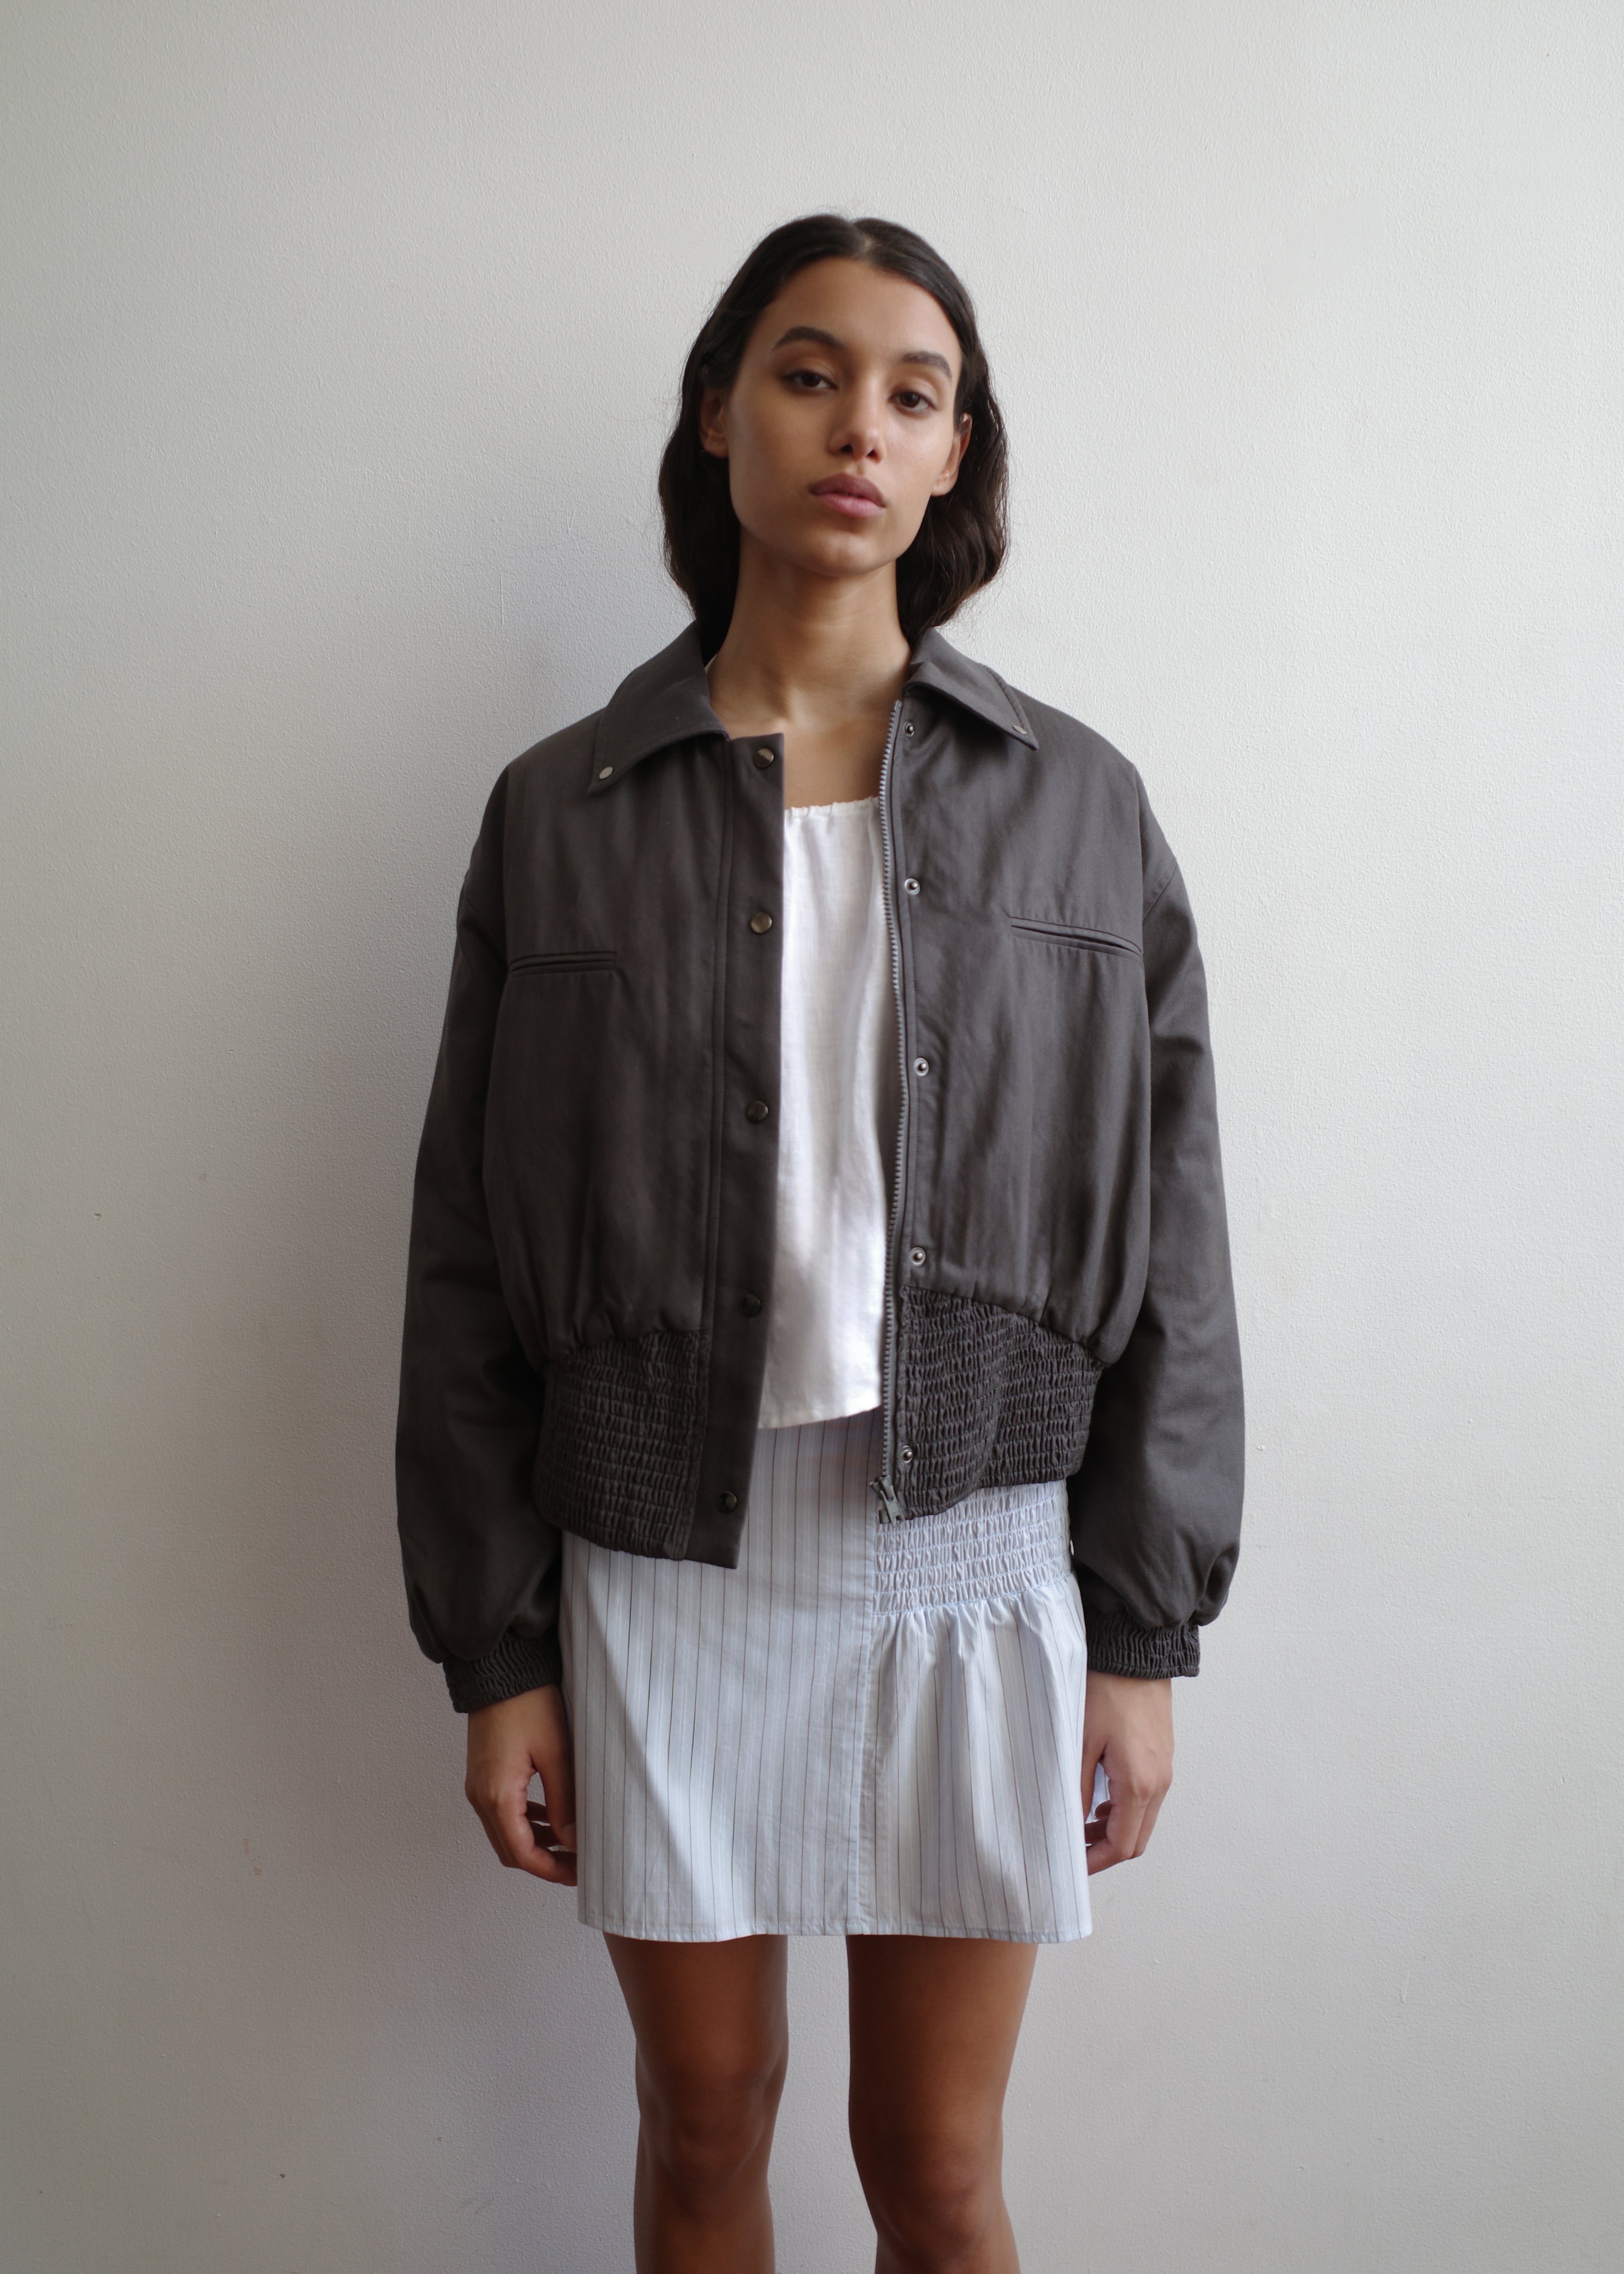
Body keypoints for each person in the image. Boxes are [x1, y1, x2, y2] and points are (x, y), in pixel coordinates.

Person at [395, 212, 1244, 2274]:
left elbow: (1175, 1233)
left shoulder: (1076, 805)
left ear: (953, 456)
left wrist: (1141, 1631)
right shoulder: (563, 809)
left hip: (972, 1545)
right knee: (704, 2125)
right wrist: (498, 1652)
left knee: (933, 2168)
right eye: (807, 371)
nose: (858, 424)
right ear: (719, 414)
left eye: (911, 392)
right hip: (664, 1554)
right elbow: (468, 1253)